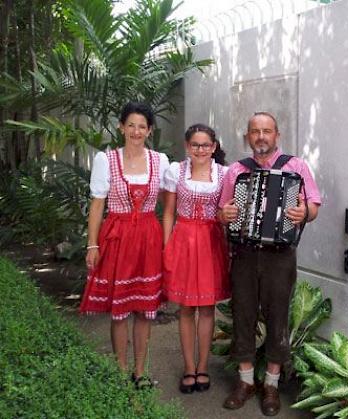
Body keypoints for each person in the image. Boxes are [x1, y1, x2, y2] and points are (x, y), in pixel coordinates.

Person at [218, 112, 321, 416]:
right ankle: (246, 381)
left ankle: (271, 385)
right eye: (255, 131)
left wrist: (305, 213)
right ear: (247, 137)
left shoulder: (296, 167)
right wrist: (225, 216)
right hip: (245, 254)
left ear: (277, 135)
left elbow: (313, 205)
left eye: (267, 131)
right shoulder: (236, 171)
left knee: (278, 317)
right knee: (243, 314)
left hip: (280, 256)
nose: (261, 136)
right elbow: (223, 210)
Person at [80, 102, 169, 389]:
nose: (136, 131)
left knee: (144, 309)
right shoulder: (107, 160)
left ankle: (140, 372)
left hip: (148, 237)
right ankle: (120, 371)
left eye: (142, 126)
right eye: (131, 125)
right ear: (121, 127)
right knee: (120, 310)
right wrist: (92, 245)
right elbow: (97, 205)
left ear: (150, 130)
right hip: (117, 236)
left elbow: (169, 206)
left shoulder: (161, 160)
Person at [161, 124, 230, 394]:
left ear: (213, 147)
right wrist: (167, 246)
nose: (200, 149)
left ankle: (203, 366)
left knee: (207, 307)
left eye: (205, 145)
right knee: (186, 308)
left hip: (212, 242)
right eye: (195, 145)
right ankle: (189, 367)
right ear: (187, 146)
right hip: (184, 240)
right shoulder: (176, 171)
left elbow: (227, 213)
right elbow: (168, 212)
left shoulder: (224, 174)